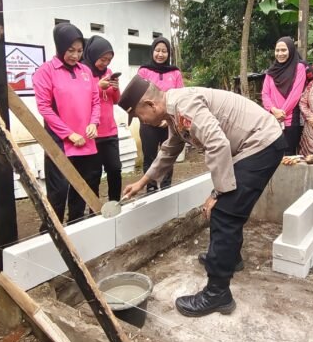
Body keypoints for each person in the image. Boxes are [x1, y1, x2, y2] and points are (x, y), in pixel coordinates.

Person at [120, 75, 286, 317]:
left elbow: (218, 145)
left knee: (224, 211)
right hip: (253, 144)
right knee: (231, 206)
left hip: (261, 144)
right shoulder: (174, 112)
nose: (141, 122)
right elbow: (170, 150)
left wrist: (217, 193)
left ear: (150, 105)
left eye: (138, 116)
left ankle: (218, 293)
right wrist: (143, 181)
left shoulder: (184, 106)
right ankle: (230, 258)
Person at [33, 23, 101, 225]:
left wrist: (94, 123)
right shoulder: (46, 71)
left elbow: (95, 101)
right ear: (60, 47)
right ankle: (50, 231)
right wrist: (68, 134)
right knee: (59, 191)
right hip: (60, 142)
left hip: (86, 141)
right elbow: (44, 108)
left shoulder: (86, 71)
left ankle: (76, 226)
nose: (75, 55)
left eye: (80, 51)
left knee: (81, 187)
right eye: (70, 50)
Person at [136, 36, 183, 192]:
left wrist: (167, 118)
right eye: (157, 50)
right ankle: (150, 188)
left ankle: (166, 187)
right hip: (148, 123)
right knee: (150, 156)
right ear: (152, 51)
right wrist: (153, 118)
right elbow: (139, 96)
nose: (160, 54)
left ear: (168, 53)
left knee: (168, 155)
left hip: (169, 122)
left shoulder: (175, 72)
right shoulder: (144, 71)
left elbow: (180, 96)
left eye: (164, 51)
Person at [82, 34, 122, 202]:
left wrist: (116, 88)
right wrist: (98, 87)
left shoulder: (109, 73)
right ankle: (94, 208)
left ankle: (114, 202)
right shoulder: (83, 73)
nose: (105, 63)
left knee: (115, 169)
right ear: (92, 54)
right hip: (93, 133)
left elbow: (115, 100)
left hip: (110, 131)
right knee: (93, 174)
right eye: (102, 59)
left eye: (108, 60)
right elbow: (82, 100)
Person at [262, 36, 307, 155]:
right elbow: (265, 94)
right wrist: (273, 110)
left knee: (288, 156)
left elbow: (296, 94)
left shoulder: (299, 67)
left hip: (290, 120)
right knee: (272, 155)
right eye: (277, 50)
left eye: (283, 50)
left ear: (291, 50)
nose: (280, 53)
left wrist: (282, 113)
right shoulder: (271, 72)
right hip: (272, 120)